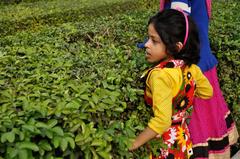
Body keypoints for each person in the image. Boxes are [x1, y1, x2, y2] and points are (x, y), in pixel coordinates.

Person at [159, 0, 239, 158]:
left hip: (191, 68)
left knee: (197, 121)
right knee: (209, 118)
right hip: (201, 62)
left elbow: (176, 23)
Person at [129, 9, 213, 159]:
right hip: (182, 139)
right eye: (148, 38)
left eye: (154, 41)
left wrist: (133, 144)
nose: (146, 45)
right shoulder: (190, 68)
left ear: (176, 46)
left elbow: (161, 121)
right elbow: (207, 92)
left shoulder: (160, 75)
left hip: (163, 144)